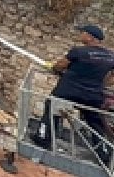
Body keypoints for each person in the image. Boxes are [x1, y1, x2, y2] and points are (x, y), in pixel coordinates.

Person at [34, 24, 114, 156]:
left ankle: (43, 138)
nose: (80, 35)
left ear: (90, 36)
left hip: (68, 91)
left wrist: (54, 67)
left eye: (83, 32)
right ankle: (103, 152)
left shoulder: (79, 51)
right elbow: (112, 77)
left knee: (51, 107)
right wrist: (101, 83)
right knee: (95, 121)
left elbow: (60, 66)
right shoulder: (111, 56)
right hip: (92, 95)